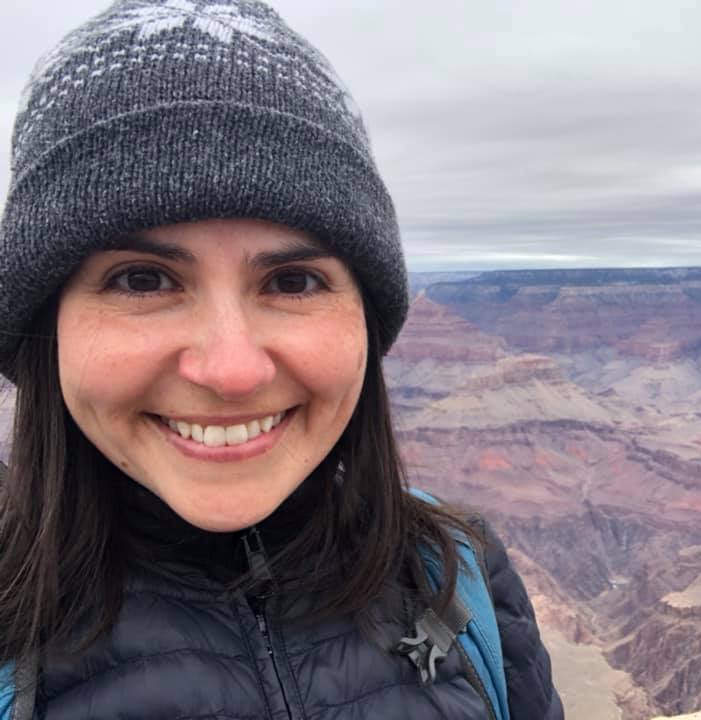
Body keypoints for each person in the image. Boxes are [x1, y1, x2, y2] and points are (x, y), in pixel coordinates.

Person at [0, 1, 563, 718]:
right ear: (43, 322)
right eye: (143, 279)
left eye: (292, 281)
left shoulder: (460, 572)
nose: (232, 370)